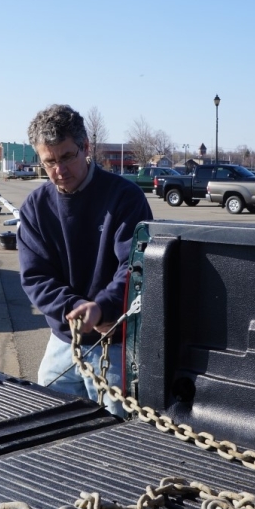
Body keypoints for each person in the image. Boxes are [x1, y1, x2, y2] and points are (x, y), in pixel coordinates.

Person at [18, 104, 153, 416]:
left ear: (86, 147)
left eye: (67, 157)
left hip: (116, 343)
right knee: (50, 425)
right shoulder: (35, 208)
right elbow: (35, 277)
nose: (59, 170)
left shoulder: (125, 197)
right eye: (49, 162)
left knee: (118, 431)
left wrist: (102, 307)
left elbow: (135, 268)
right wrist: (73, 309)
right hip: (63, 342)